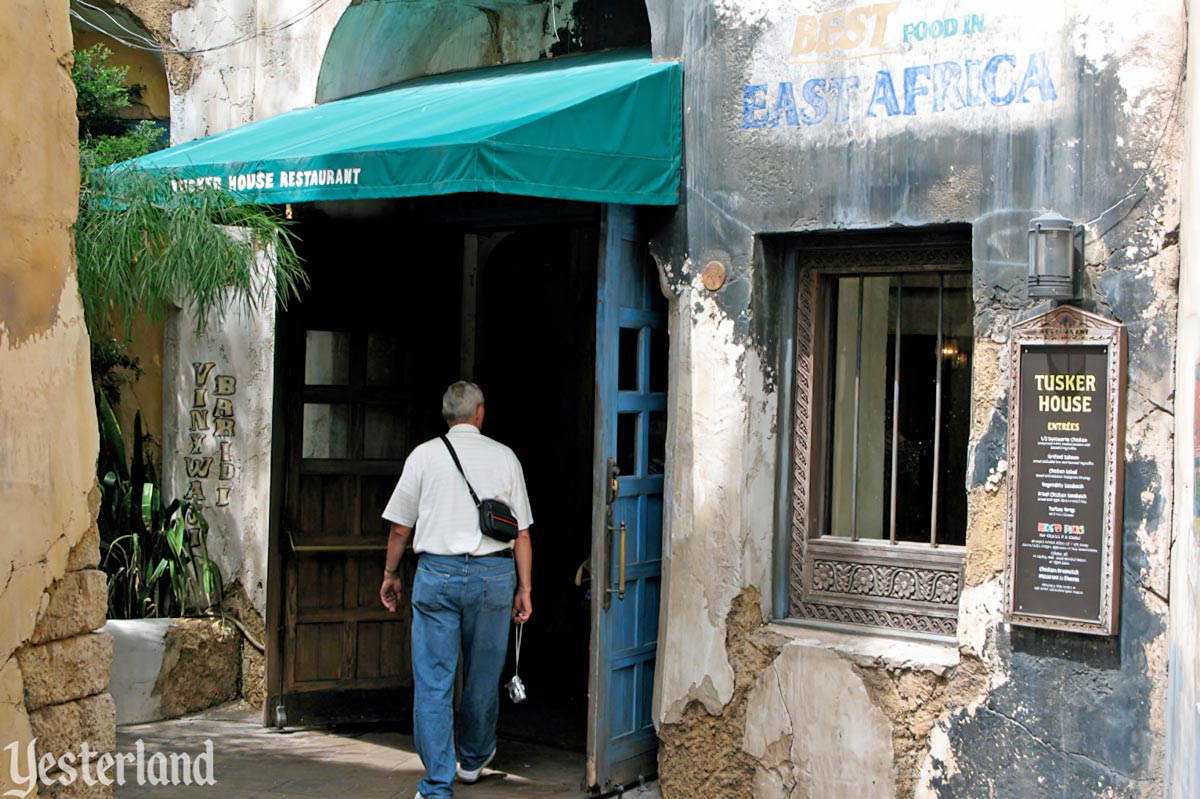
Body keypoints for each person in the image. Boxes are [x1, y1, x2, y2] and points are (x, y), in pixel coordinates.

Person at [380, 381, 533, 799]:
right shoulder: (505, 457)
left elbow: (399, 527)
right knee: (483, 678)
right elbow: (520, 534)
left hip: (437, 576)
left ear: (446, 415)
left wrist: (391, 573)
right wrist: (526, 588)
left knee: (433, 681)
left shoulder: (424, 456)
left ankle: (435, 785)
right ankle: (474, 759)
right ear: (480, 413)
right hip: (493, 578)